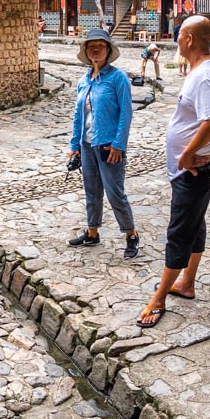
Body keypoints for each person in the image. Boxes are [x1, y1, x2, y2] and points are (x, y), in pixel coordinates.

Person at [138, 16, 210, 329]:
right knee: (194, 223)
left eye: (179, 35)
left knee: (179, 231)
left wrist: (187, 154)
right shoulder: (202, 70)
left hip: (194, 170)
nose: (176, 41)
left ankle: (158, 297)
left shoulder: (205, 75)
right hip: (192, 169)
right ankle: (187, 282)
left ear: (188, 39)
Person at [66, 30, 139, 259]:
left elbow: (126, 114)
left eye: (100, 45)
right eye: (91, 46)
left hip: (109, 146)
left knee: (115, 192)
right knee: (92, 190)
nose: (96, 49)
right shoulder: (83, 81)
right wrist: (74, 145)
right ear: (86, 52)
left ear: (108, 50)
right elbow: (79, 116)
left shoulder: (118, 78)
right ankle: (92, 231)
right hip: (87, 145)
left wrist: (119, 145)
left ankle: (131, 234)